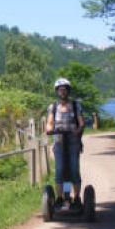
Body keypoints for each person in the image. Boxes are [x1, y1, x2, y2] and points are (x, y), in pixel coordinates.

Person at [45, 78, 85, 208]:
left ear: (68, 91)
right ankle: (60, 198)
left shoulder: (75, 105)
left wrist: (78, 130)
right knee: (60, 170)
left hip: (73, 142)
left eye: (65, 89)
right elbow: (50, 123)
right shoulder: (53, 107)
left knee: (74, 169)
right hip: (59, 143)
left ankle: (77, 197)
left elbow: (81, 122)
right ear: (57, 91)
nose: (63, 92)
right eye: (60, 90)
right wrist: (49, 129)